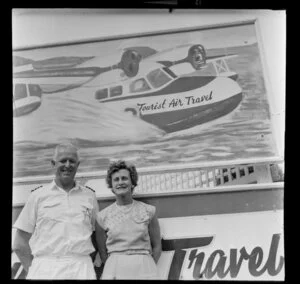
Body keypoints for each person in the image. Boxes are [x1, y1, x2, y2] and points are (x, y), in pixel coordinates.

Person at [12, 143, 99, 279]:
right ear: (53, 163)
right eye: (63, 160)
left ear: (78, 165)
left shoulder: (89, 196)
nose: (68, 165)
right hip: (46, 268)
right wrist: (35, 270)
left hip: (82, 269)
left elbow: (95, 235)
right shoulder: (38, 196)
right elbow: (19, 243)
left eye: (72, 161)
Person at [95, 160, 162, 279]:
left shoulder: (148, 211)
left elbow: (157, 247)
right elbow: (103, 253)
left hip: (144, 268)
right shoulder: (102, 217)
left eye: (124, 178)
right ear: (111, 186)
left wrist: (148, 268)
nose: (120, 182)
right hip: (115, 269)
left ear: (132, 182)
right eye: (116, 179)